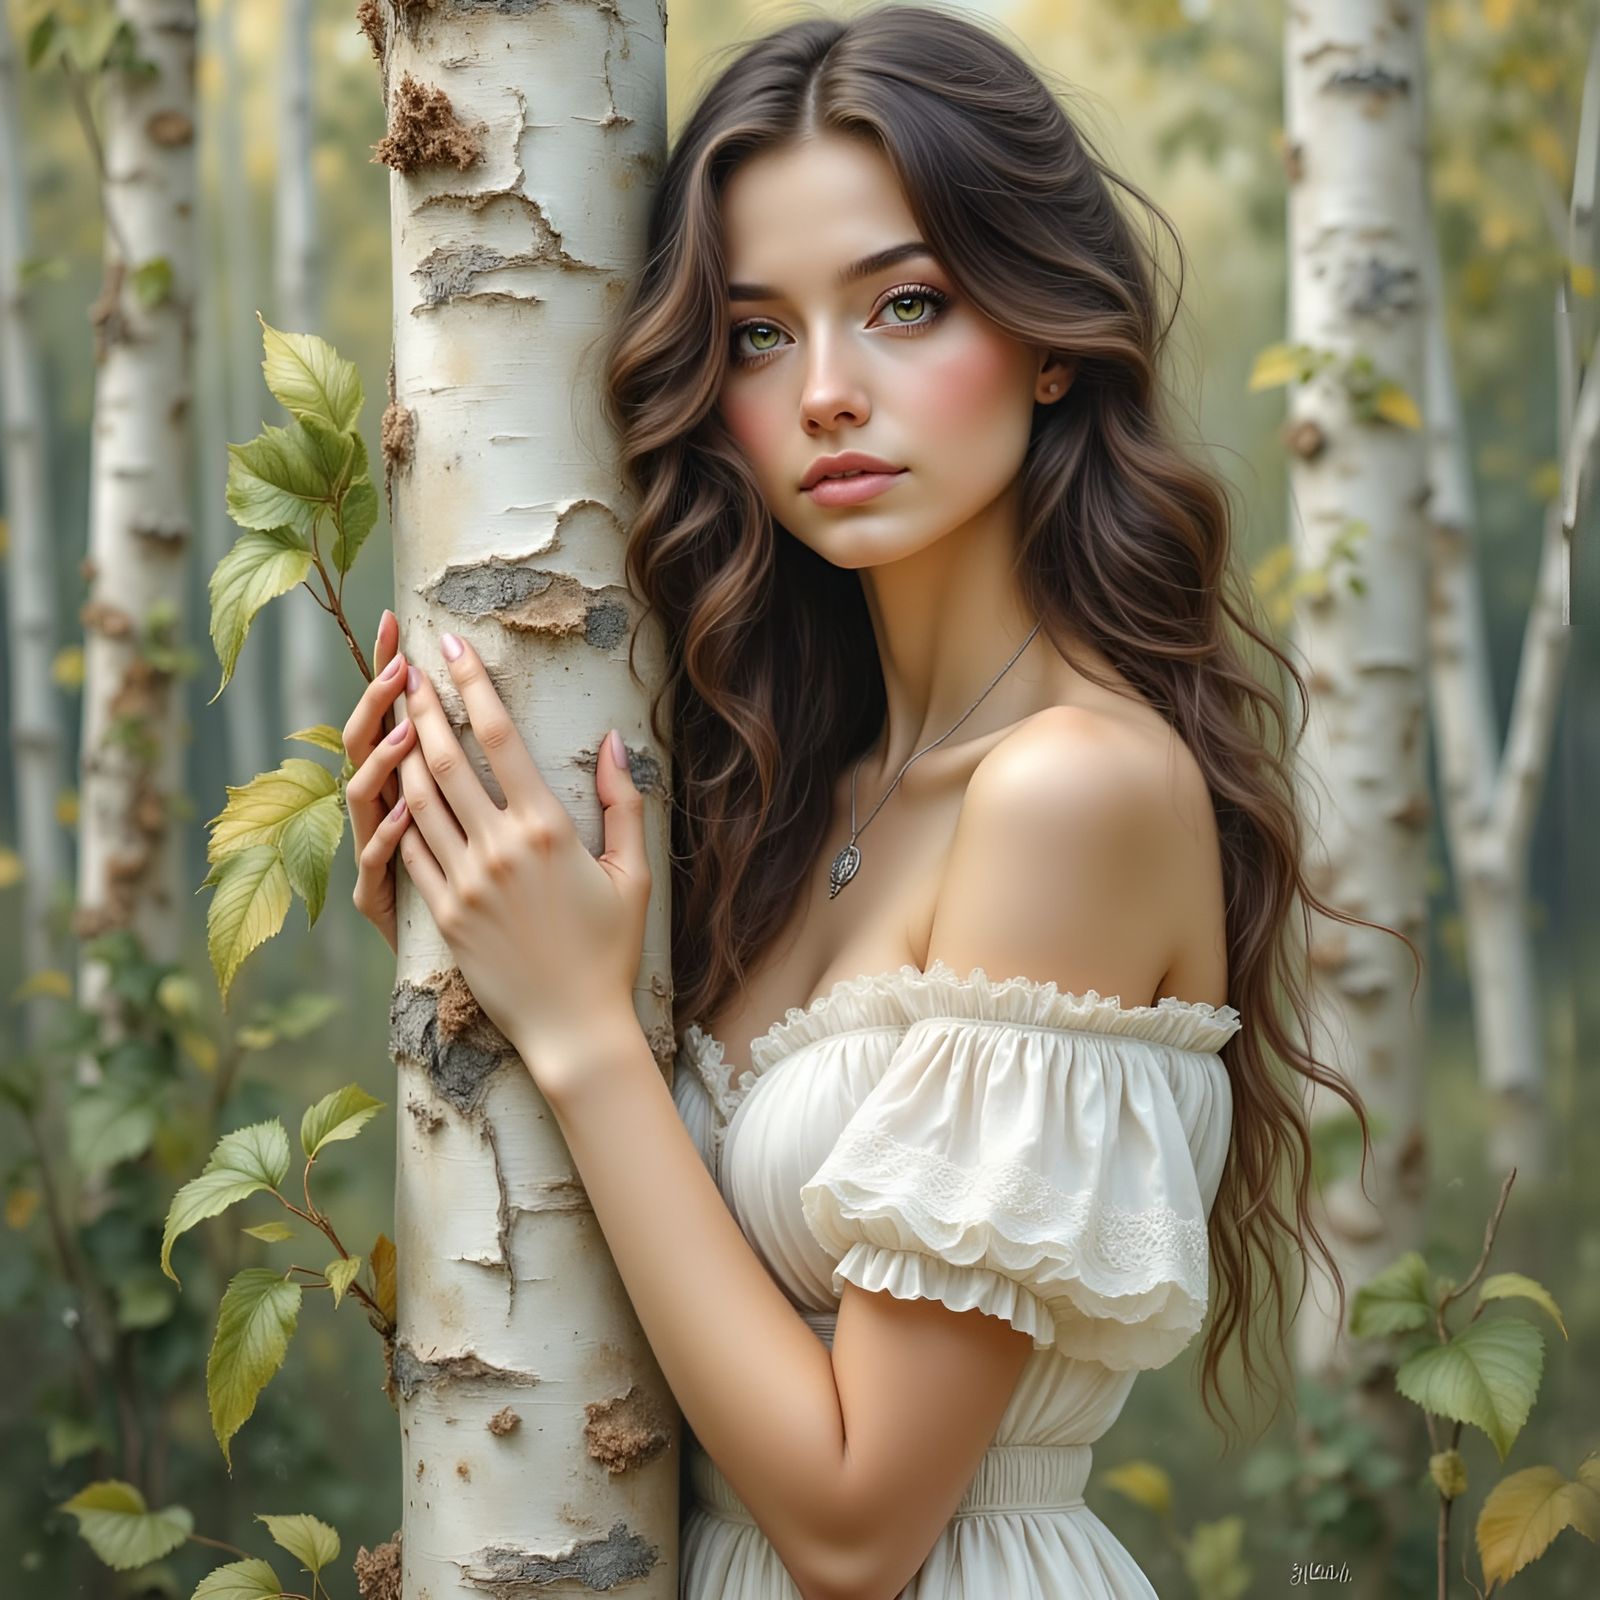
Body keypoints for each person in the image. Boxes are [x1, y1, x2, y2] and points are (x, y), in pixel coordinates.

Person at [342, 5, 1413, 1595]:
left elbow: (858, 1523)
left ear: (1054, 333)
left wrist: (580, 1032)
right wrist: (466, 914)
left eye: (905, 304)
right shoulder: (781, 784)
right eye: (761, 335)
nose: (827, 393)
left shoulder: (1074, 792)